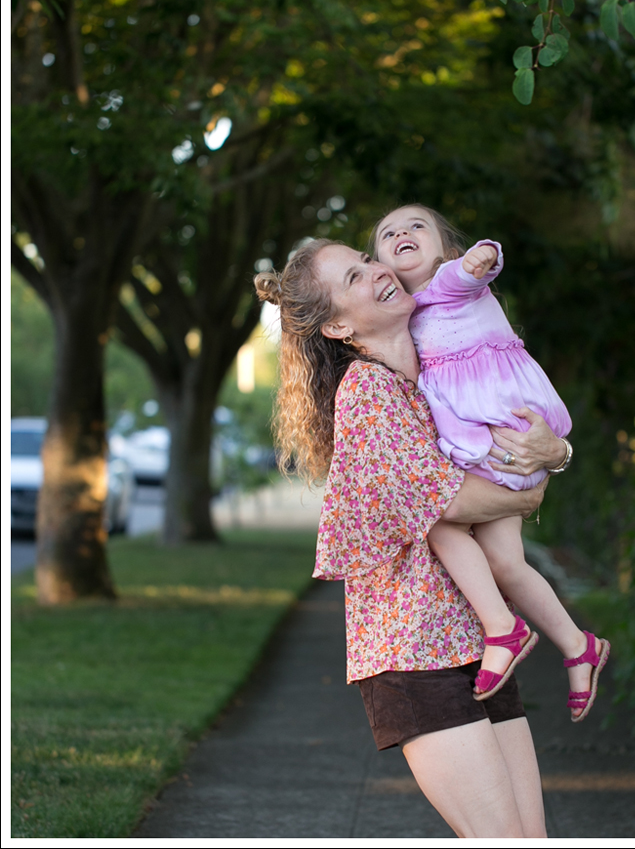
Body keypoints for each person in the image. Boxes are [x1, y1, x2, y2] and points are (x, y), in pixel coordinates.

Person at [254, 238, 571, 837]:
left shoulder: (441, 378)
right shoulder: (368, 393)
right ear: (339, 324)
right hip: (413, 655)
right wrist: (534, 484)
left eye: (367, 260)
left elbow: (514, 449)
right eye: (353, 277)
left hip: (476, 644)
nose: (377, 270)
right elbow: (457, 497)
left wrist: (555, 451)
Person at [369, 205, 609, 721]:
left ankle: (503, 628)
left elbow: (481, 264)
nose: (401, 234)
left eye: (416, 227)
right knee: (506, 563)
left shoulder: (454, 283)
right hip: (490, 443)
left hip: (503, 431)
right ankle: (577, 645)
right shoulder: (409, 314)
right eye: (388, 233)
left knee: (435, 517)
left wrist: (480, 259)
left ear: (446, 249)